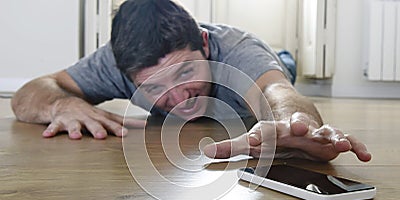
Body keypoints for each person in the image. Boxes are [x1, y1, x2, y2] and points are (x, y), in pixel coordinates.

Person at [11, 0, 371, 162]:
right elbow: (30, 93)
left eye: (185, 72)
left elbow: (279, 93)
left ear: (201, 42)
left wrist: (298, 125)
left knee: (281, 66)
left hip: (270, 63)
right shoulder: (116, 62)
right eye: (154, 87)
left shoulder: (236, 50)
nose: (178, 97)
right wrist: (64, 103)